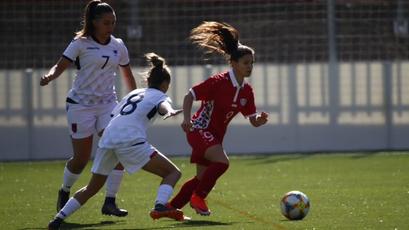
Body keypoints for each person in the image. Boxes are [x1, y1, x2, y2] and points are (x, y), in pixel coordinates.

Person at [48, 53, 188, 230]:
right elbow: (162, 106)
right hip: (130, 139)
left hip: (108, 138)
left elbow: (115, 115)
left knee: (92, 187)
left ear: (148, 81)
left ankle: (58, 219)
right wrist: (171, 110)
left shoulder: (135, 93)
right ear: (165, 84)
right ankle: (160, 206)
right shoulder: (161, 96)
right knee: (173, 173)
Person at [40, 0, 136, 217]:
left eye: (113, 22)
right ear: (94, 23)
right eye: (106, 23)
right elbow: (60, 65)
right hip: (80, 106)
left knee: (118, 148)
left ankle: (109, 202)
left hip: (107, 105)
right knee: (81, 159)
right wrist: (50, 76)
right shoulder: (80, 43)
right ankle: (65, 190)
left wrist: (135, 98)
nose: (110, 27)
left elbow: (127, 74)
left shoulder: (118, 45)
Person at [168, 21, 269, 216]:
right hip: (198, 130)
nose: (250, 67)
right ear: (233, 63)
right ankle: (199, 198)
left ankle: (171, 208)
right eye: (246, 63)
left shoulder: (246, 91)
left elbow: (252, 120)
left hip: (214, 136)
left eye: (252, 63)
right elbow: (190, 95)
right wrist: (186, 119)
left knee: (201, 178)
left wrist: (259, 119)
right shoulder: (219, 82)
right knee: (222, 162)